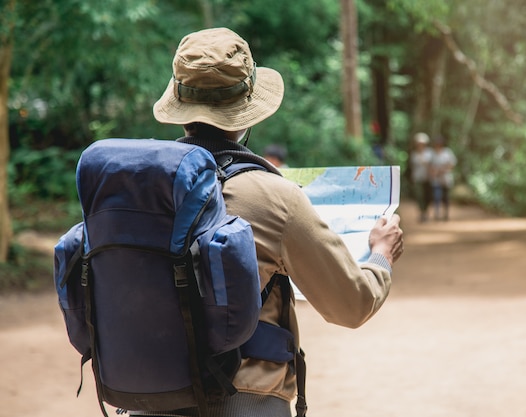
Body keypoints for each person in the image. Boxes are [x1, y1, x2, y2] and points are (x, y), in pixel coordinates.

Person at [150, 27, 404, 417]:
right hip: (242, 402)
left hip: (149, 396)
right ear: (247, 108)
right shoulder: (274, 196)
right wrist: (381, 255)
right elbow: (351, 305)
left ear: (180, 104)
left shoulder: (143, 187)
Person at [429, 136, 457, 221]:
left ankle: (446, 214)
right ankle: (437, 214)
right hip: (436, 179)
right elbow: (430, 166)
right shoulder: (433, 154)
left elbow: (452, 164)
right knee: (436, 196)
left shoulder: (447, 152)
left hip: (446, 179)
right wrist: (434, 172)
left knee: (446, 197)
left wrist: (442, 170)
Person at [409, 132, 433, 222]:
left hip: (428, 178)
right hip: (417, 178)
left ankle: (425, 211)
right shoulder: (414, 154)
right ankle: (422, 212)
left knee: (428, 196)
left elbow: (430, 164)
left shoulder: (429, 153)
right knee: (419, 196)